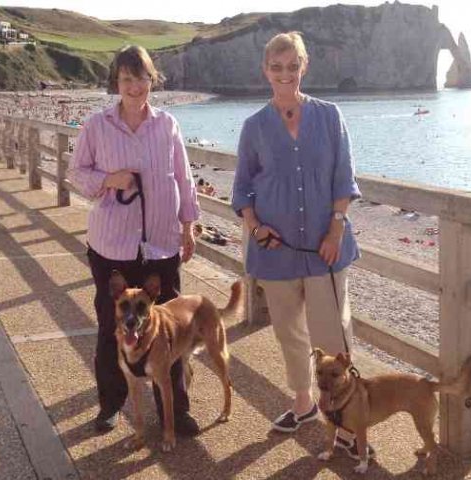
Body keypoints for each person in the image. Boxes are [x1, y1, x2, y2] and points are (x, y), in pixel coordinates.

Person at [232, 32, 369, 454]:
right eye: (277, 67)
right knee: (290, 333)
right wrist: (255, 229)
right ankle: (304, 402)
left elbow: (343, 179)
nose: (285, 74)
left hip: (327, 249)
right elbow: (242, 191)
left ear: (303, 67)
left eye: (293, 66)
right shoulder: (254, 126)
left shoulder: (330, 117)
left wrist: (336, 228)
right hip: (276, 253)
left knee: (334, 338)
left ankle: (348, 424)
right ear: (265, 71)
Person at [68, 45, 201, 435]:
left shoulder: (167, 125)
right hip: (112, 247)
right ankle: (110, 404)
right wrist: (109, 179)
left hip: (161, 245)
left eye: (140, 77)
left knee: (170, 330)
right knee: (113, 327)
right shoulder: (97, 125)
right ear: (117, 82)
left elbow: (183, 177)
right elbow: (77, 173)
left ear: (151, 80)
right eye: (126, 78)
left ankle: (174, 411)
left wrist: (188, 225)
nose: (134, 86)